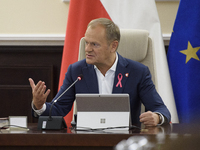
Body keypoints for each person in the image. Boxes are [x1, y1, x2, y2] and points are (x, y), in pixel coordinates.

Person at [29, 18, 171, 126]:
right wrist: (40, 106)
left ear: (113, 46)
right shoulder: (77, 71)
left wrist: (156, 117)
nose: (87, 49)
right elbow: (58, 109)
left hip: (125, 141)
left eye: (94, 44)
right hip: (87, 141)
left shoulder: (137, 72)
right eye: (86, 43)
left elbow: (161, 109)